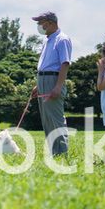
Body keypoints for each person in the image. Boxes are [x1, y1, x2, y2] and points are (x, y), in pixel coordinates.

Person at [31, 11, 72, 156]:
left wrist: (58, 86)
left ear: (50, 23)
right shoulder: (47, 40)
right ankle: (53, 152)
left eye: (41, 22)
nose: (39, 26)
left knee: (55, 119)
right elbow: (45, 64)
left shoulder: (62, 39)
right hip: (43, 80)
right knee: (47, 120)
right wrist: (38, 84)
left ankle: (62, 152)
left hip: (53, 80)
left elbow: (64, 64)